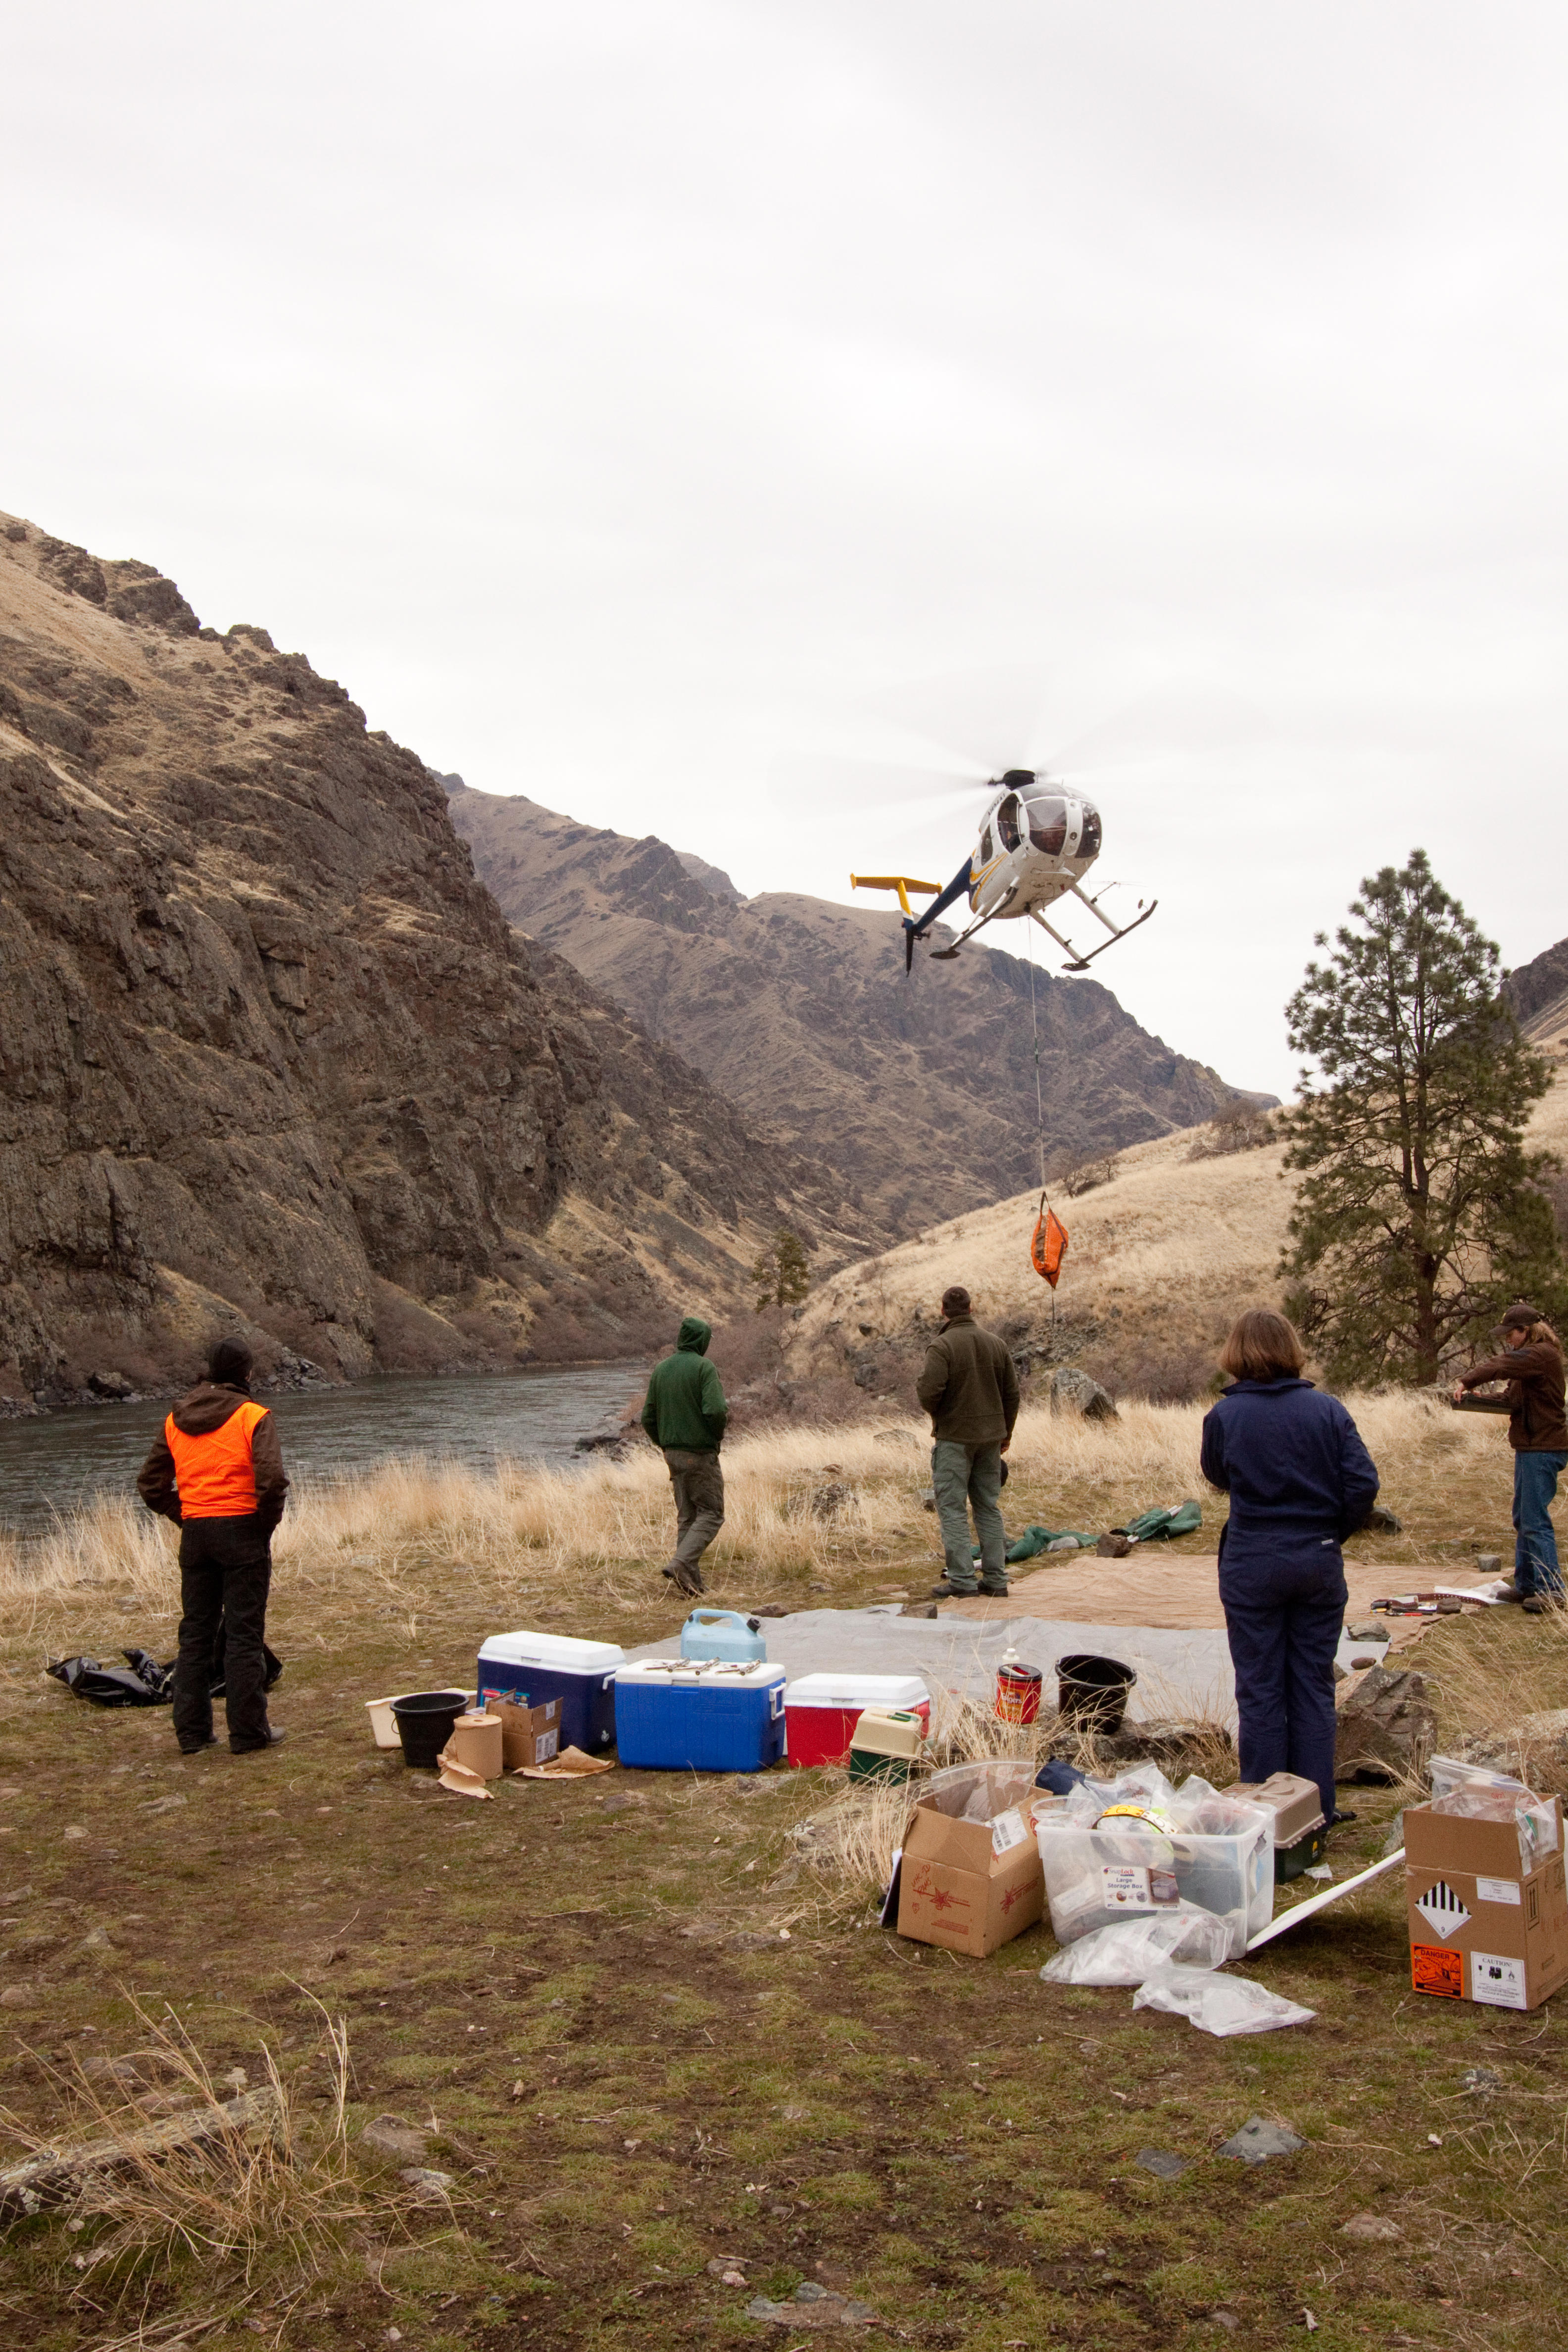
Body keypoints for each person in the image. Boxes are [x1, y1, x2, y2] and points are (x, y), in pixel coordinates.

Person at [1200, 1308, 1378, 1829]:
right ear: (1292, 1350)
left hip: (1252, 1561)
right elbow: (1363, 1484)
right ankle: (1316, 1810)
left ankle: (1266, 1817)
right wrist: (1330, 1533)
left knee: (1260, 1687)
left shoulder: (1225, 1417)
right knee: (1313, 1684)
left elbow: (1217, 1475)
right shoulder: (1328, 1411)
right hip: (1316, 1558)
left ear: (1235, 1353)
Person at [136, 1339, 289, 1755]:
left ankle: (193, 1734)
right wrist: (262, 1526)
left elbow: (150, 1485)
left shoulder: (175, 1419)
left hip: (197, 1535)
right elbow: (272, 1480)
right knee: (243, 1635)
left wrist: (186, 1515)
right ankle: (249, 1733)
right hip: (242, 1531)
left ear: (209, 1372)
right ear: (247, 1374)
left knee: (196, 1635)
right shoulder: (253, 1416)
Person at [1453, 1301, 1568, 1614]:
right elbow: (1511, 1401)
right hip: (1532, 1447)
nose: (1507, 1339)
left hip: (1543, 1448)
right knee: (1524, 1518)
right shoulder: (1531, 1362)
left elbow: (1500, 1364)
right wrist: (1478, 1400)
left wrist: (1467, 1381)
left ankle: (1552, 1591)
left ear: (1525, 1331)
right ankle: (1527, 1585)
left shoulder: (1540, 1354)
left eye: (1510, 1333)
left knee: (1535, 1521)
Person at [917, 1284, 1020, 1599]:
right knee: (988, 1508)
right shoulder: (997, 1344)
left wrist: (943, 1414)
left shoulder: (941, 1346)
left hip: (954, 1440)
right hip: (991, 1440)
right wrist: (1005, 1434)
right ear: (971, 1309)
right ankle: (996, 1580)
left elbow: (928, 1394)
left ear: (943, 1311)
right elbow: (1012, 1394)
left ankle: (962, 1581)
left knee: (953, 1510)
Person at [640, 1315, 728, 1597]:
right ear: (701, 1340)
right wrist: (715, 1437)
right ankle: (680, 1564)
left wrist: (665, 1444)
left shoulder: (661, 1369)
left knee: (688, 1517)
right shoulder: (704, 1367)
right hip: (699, 1453)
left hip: (672, 1454)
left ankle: (690, 1585)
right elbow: (716, 1410)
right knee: (712, 1514)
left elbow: (647, 1417)